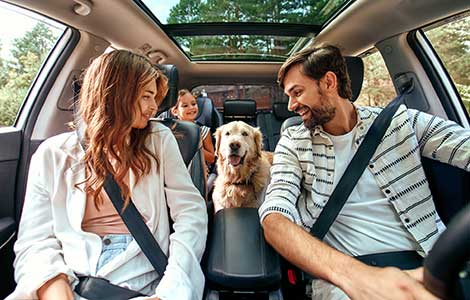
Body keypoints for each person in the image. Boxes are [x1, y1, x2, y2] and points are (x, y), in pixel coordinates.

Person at [259, 44, 470, 299]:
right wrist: (357, 277)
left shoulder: (401, 122)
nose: (291, 105)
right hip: (345, 278)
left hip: (432, 265)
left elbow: (463, 145)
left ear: (328, 82)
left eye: (297, 92)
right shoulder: (293, 142)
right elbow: (274, 216)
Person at [7, 50, 208, 300]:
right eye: (146, 96)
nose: (154, 107)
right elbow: (35, 240)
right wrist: (55, 286)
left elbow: (191, 213)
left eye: (155, 97)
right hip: (72, 277)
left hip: (142, 281)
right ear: (115, 94)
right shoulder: (51, 154)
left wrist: (171, 289)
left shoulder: (159, 140)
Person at [171, 89, 216, 171]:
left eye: (193, 104)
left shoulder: (203, 130)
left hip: (198, 171)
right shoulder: (171, 130)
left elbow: (211, 158)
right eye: (185, 106)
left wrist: (194, 147)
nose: (191, 108)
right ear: (175, 111)